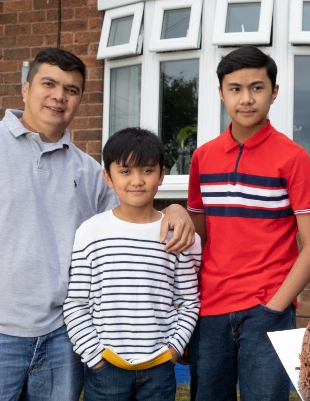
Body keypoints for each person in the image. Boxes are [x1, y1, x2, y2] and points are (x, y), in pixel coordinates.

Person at [0, 48, 195, 401]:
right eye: (48, 84)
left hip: (61, 342)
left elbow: (133, 218)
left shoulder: (89, 171)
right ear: (25, 88)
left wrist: (174, 208)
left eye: (71, 89)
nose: (59, 96)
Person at [186, 46, 310, 401]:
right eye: (235, 88)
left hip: (268, 310)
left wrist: (276, 306)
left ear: (274, 92)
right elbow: (198, 237)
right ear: (221, 93)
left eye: (257, 88)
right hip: (211, 308)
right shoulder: (202, 158)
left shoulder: (294, 158)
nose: (246, 98)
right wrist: (174, 210)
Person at [63, 127, 201, 401]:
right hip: (106, 368)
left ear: (161, 175)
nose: (137, 181)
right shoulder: (91, 231)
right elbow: (76, 303)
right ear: (108, 177)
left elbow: (189, 301)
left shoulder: (174, 234)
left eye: (147, 170)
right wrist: (94, 356)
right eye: (125, 171)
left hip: (159, 368)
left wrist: (173, 350)